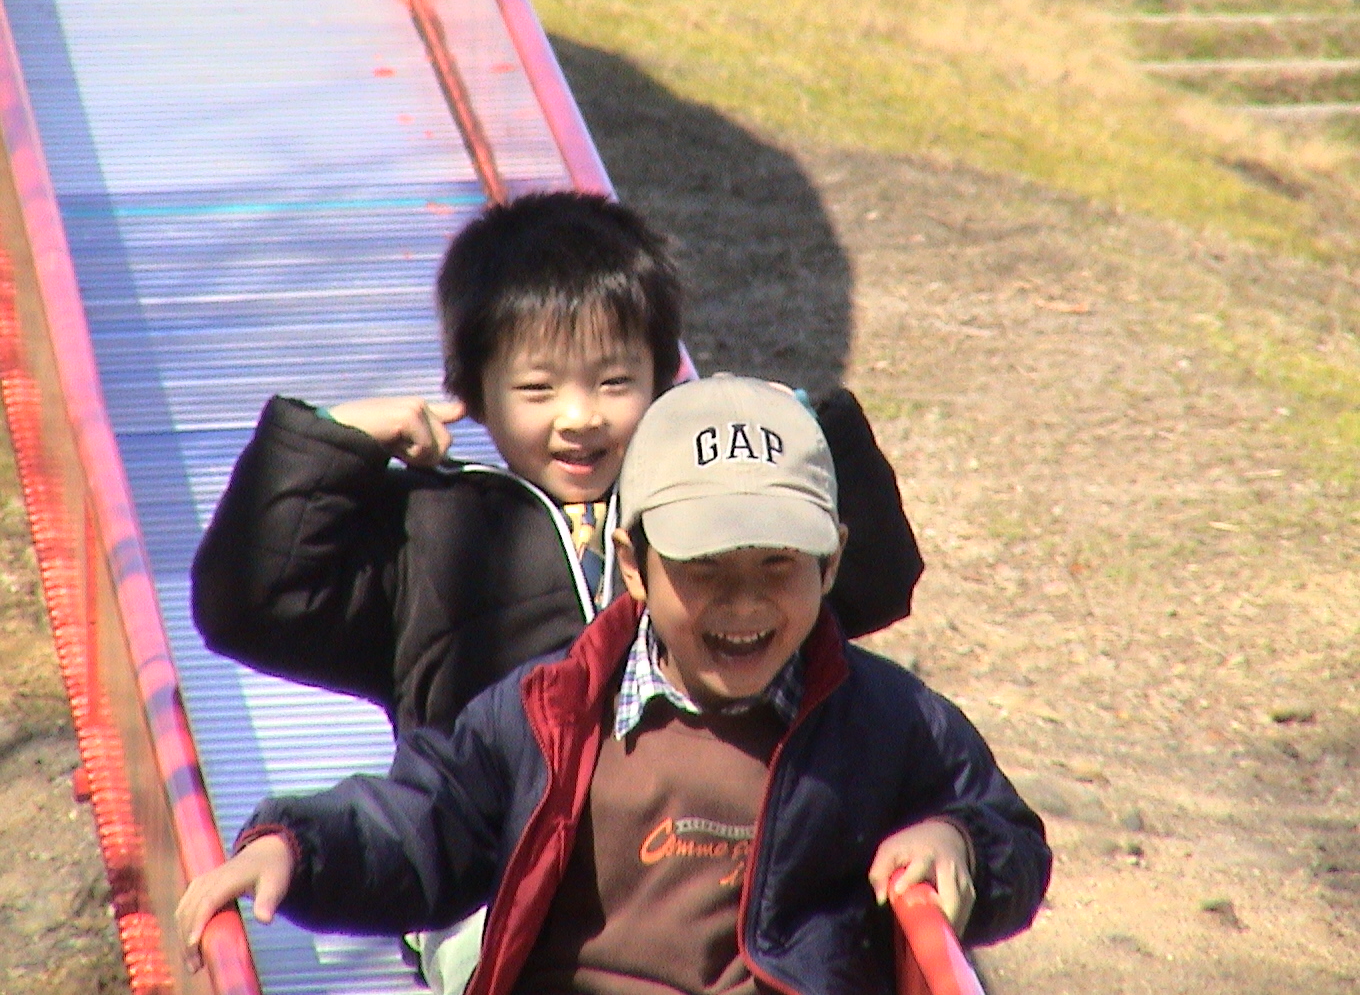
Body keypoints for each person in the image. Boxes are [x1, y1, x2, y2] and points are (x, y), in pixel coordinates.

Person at [177, 376, 1051, 995]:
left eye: (778, 565)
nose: (743, 603)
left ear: (829, 565)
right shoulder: (550, 711)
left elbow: (1009, 833)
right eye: (704, 567)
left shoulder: (885, 720)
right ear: (634, 565)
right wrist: (299, 847)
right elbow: (427, 818)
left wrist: (959, 845)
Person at [191, 191, 923, 738]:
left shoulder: (704, 504)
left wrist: (808, 434)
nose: (579, 417)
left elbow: (876, 581)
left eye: (614, 382)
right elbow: (248, 606)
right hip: (493, 874)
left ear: (664, 378)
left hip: (693, 861)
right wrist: (334, 443)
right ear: (474, 395)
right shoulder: (428, 534)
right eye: (537, 389)